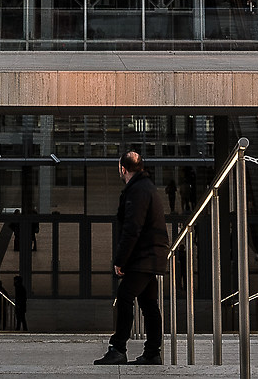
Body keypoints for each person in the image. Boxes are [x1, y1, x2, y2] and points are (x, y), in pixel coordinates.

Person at [98, 149, 166, 366]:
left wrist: (120, 259)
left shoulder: (137, 191)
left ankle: (118, 348)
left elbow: (132, 228)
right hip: (150, 254)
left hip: (142, 255)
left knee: (124, 297)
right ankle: (152, 353)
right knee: (148, 304)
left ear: (123, 168)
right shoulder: (146, 187)